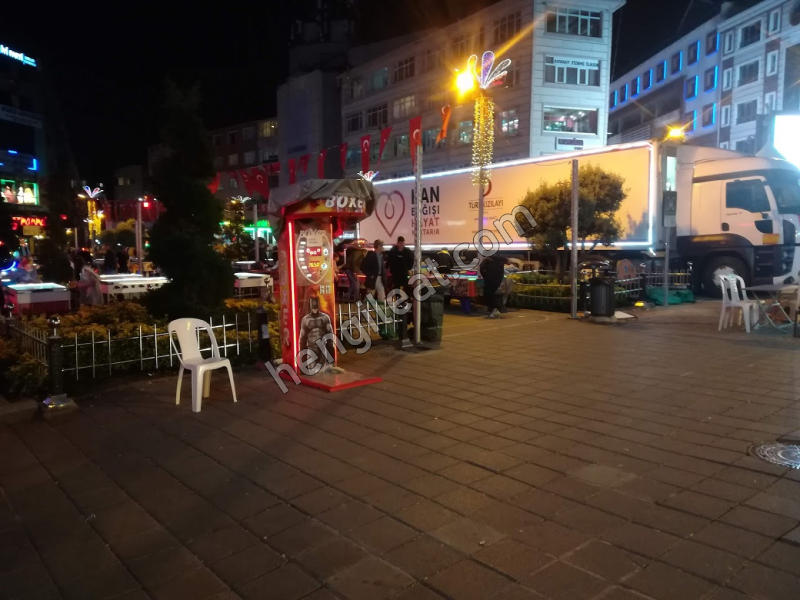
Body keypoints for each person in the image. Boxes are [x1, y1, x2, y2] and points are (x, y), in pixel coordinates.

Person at [480, 255, 507, 319]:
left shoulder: (487, 260)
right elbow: (502, 272)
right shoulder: (501, 261)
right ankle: (495, 309)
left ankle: (494, 309)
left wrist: (485, 276)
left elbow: (481, 269)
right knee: (493, 294)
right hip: (497, 280)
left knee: (488, 295)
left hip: (489, 279)